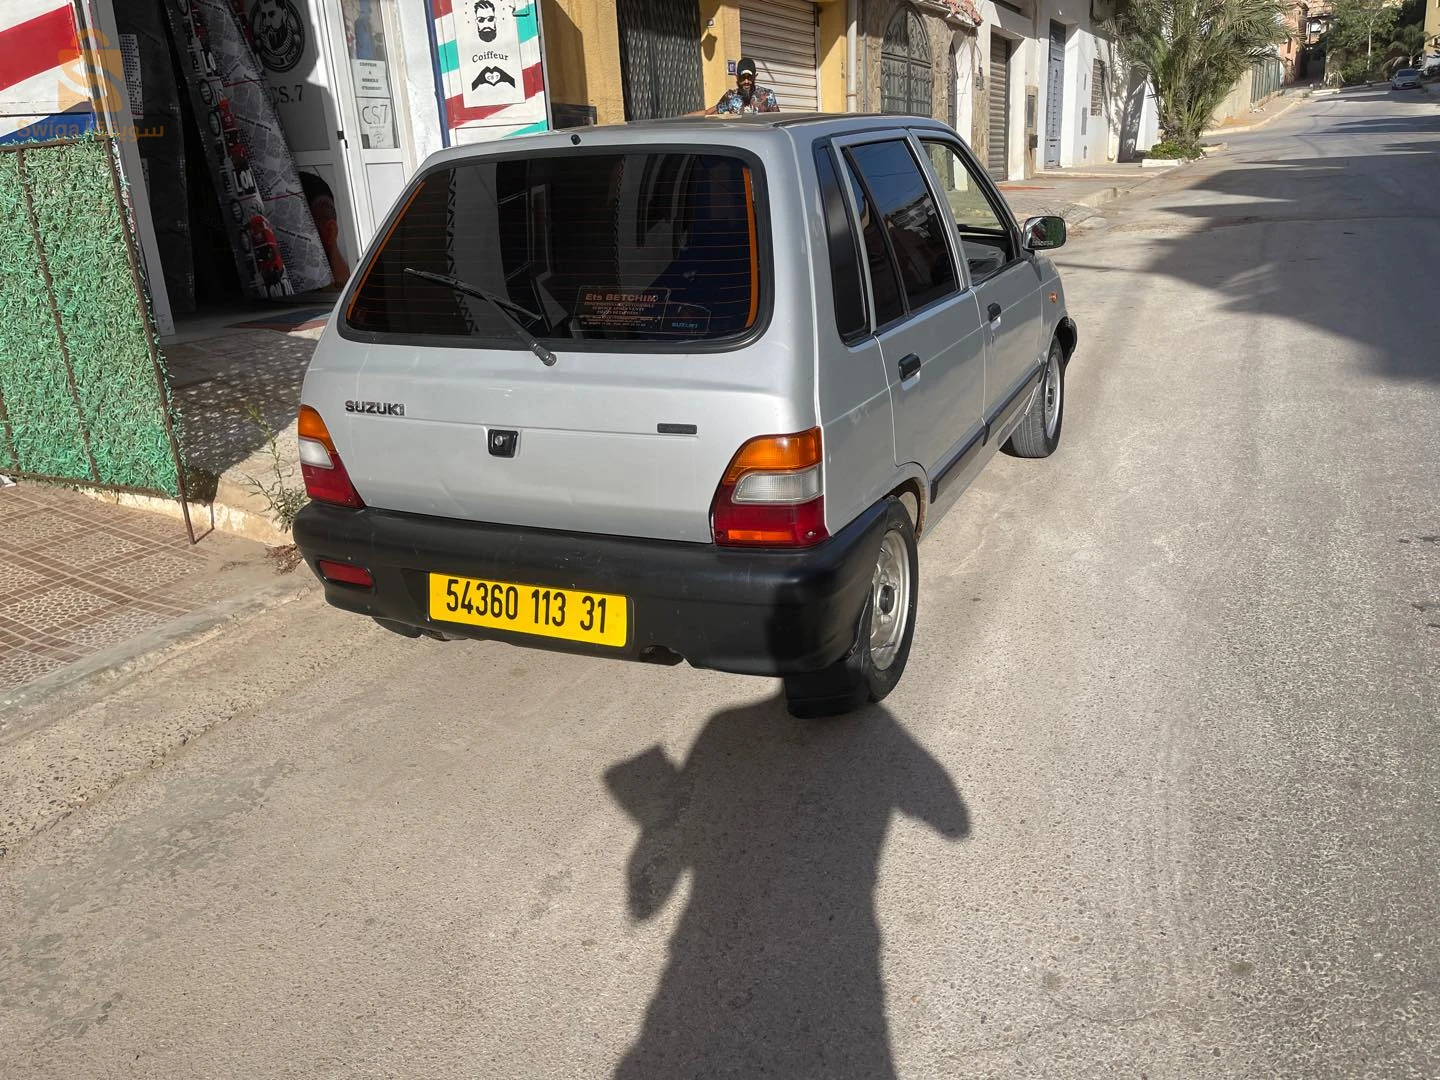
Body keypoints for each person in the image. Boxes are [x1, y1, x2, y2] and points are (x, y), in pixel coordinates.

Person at [705, 57, 779, 115]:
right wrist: (693, 119)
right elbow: (708, 113)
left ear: (755, 77)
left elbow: (777, 121)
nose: (746, 82)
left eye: (750, 78)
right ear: (737, 77)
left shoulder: (767, 95)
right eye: (742, 78)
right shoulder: (730, 96)